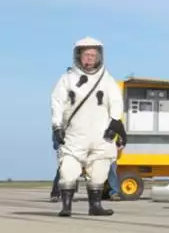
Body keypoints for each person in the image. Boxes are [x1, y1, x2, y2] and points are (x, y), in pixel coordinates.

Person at [51, 37, 125, 217]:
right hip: (75, 133)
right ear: (78, 56)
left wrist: (115, 122)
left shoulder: (106, 79)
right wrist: (56, 126)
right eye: (86, 55)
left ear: (99, 57)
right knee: (68, 168)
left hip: (102, 134)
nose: (90, 58)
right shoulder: (67, 79)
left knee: (100, 169)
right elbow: (57, 103)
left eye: (93, 55)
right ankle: (66, 206)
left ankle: (95, 206)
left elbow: (116, 101)